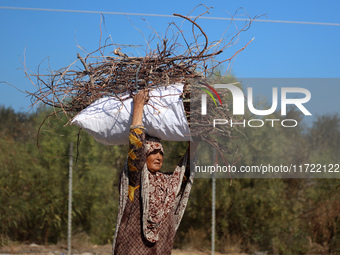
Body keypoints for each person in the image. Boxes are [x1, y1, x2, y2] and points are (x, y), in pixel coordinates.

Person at [112, 89, 198, 254]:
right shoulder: (135, 178)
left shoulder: (168, 184)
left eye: (161, 153)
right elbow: (136, 147)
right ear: (144, 155)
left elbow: (187, 167)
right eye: (152, 152)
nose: (159, 156)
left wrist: (196, 126)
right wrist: (138, 106)